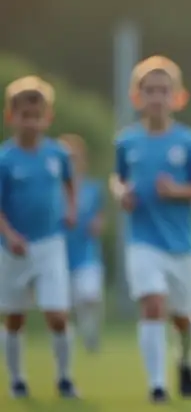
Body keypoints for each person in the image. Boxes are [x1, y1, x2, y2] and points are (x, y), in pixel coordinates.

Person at [112, 57, 191, 403]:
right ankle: (157, 385)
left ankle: (185, 361)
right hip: (142, 241)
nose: (157, 97)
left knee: (183, 318)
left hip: (181, 245)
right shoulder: (126, 142)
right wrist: (120, 193)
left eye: (163, 90)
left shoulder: (189, 141)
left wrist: (177, 191)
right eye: (150, 90)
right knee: (152, 303)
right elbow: (118, 178)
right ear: (137, 96)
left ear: (178, 97)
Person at [0, 77, 78, 398]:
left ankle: (65, 377)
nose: (31, 122)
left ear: (48, 117)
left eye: (37, 116)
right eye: (25, 116)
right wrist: (9, 235)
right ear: (11, 116)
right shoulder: (5, 159)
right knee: (14, 317)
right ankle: (17, 379)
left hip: (50, 243)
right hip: (13, 249)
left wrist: (71, 209)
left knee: (57, 314)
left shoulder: (58, 154)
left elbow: (70, 183)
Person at [60, 134, 107, 353]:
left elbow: (100, 214)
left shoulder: (93, 188)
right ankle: (67, 346)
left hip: (87, 254)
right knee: (63, 308)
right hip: (60, 256)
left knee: (90, 296)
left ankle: (90, 331)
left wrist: (98, 224)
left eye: (74, 157)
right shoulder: (52, 189)